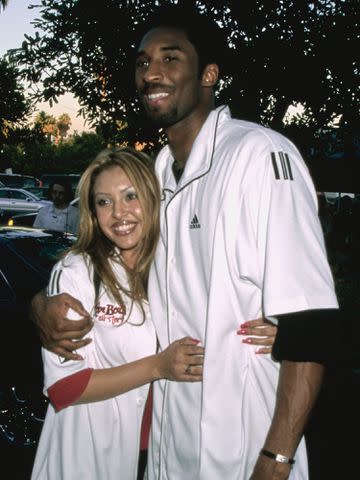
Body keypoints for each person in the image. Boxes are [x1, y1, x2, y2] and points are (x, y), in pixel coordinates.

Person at [29, 4, 340, 479]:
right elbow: (108, 264)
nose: (152, 72)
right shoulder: (156, 173)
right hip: (168, 447)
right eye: (142, 62)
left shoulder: (259, 154)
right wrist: (40, 305)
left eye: (170, 58)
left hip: (244, 443)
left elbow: (311, 322)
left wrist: (276, 459)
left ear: (208, 74)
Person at [31, 147, 205, 479]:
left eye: (130, 196)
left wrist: (273, 330)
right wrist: (158, 366)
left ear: (153, 199)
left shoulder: (173, 270)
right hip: (87, 457)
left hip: (164, 452)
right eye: (104, 202)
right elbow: (65, 386)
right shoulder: (77, 272)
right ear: (93, 213)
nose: (119, 213)